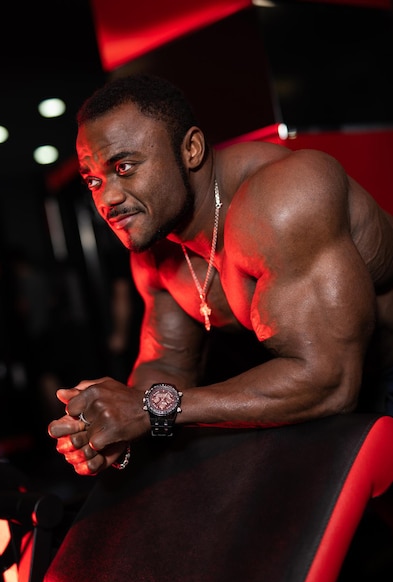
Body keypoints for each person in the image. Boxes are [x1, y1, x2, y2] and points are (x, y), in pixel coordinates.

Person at [48, 73, 393, 476]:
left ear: (191, 149)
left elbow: (328, 379)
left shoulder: (284, 197)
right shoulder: (154, 244)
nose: (106, 198)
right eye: (93, 180)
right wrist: (114, 428)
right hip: (326, 406)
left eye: (124, 167)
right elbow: (168, 367)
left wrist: (152, 409)